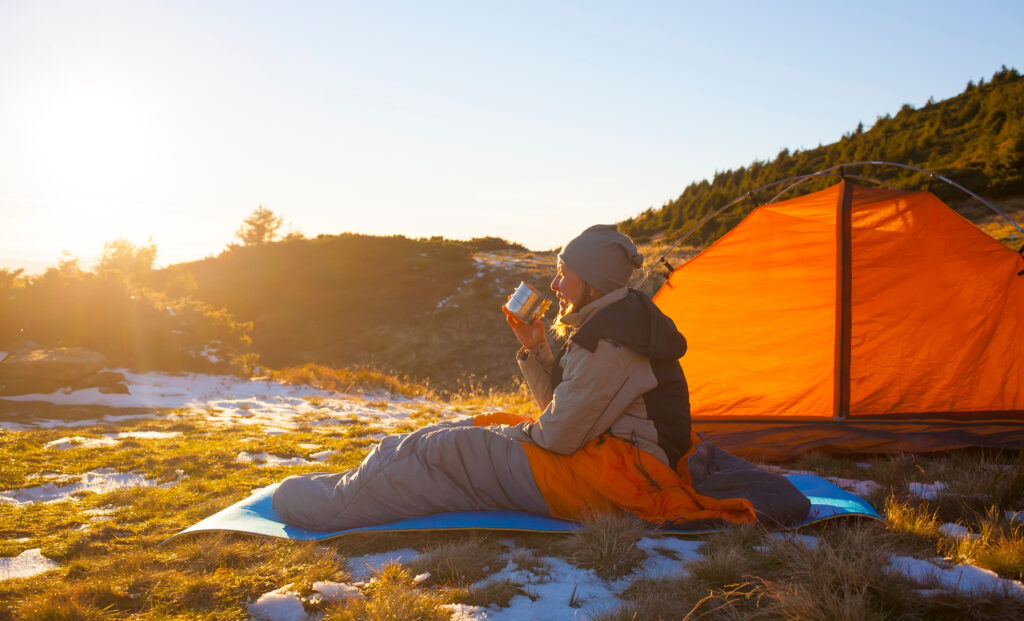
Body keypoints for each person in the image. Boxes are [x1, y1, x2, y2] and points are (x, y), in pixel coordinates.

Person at [271, 225, 808, 531]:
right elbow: (571, 407)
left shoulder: (612, 339)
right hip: (605, 453)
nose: (554, 281)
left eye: (563, 271)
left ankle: (337, 507)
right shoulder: (607, 322)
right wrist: (536, 350)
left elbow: (557, 434)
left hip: (619, 475)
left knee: (452, 451)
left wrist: (509, 437)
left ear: (591, 280)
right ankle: (356, 482)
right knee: (460, 430)